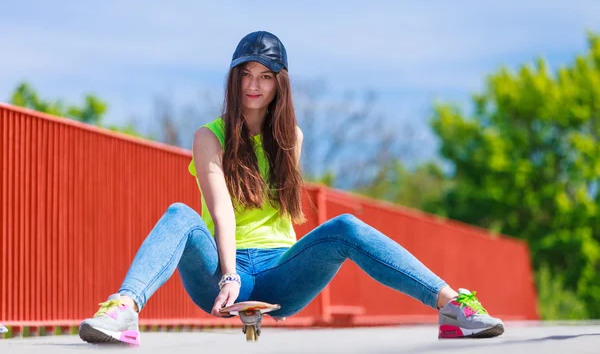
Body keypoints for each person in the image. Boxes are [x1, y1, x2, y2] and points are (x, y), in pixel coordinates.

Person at [78, 31, 505, 346]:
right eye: (245, 74)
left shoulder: (291, 138)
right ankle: (124, 309)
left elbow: (283, 214)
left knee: (347, 228)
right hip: (225, 274)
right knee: (180, 215)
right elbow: (221, 210)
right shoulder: (209, 137)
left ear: (280, 82)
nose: (254, 85)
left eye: (265, 75)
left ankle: (453, 306)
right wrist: (228, 271)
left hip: (282, 273)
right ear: (233, 78)